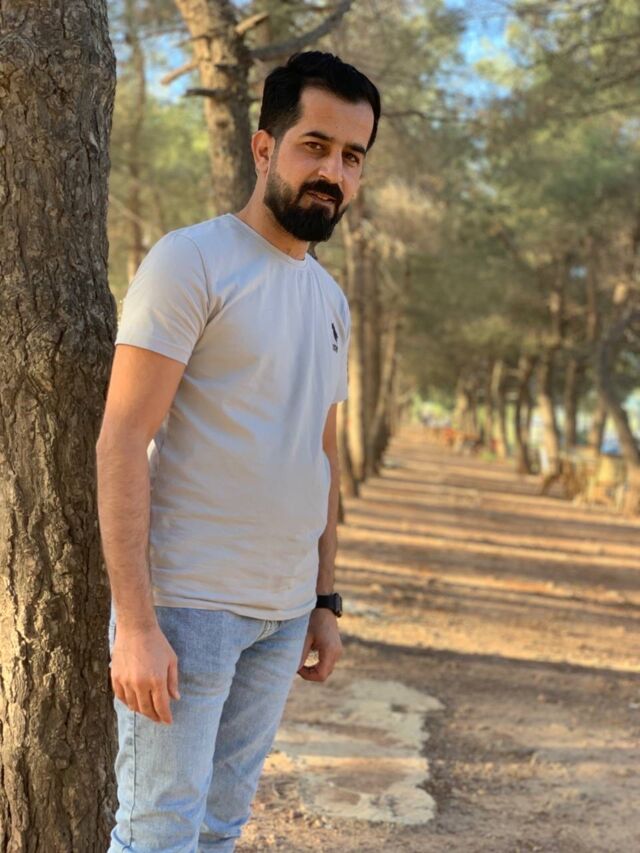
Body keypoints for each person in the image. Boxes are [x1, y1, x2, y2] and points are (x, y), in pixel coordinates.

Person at [96, 50, 381, 852]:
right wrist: (136, 623)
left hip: (282, 614)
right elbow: (122, 438)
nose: (333, 173)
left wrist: (323, 600)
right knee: (157, 832)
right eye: (315, 146)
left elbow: (320, 455)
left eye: (352, 156)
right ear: (264, 147)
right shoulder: (193, 261)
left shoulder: (330, 298)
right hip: (187, 606)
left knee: (219, 828)